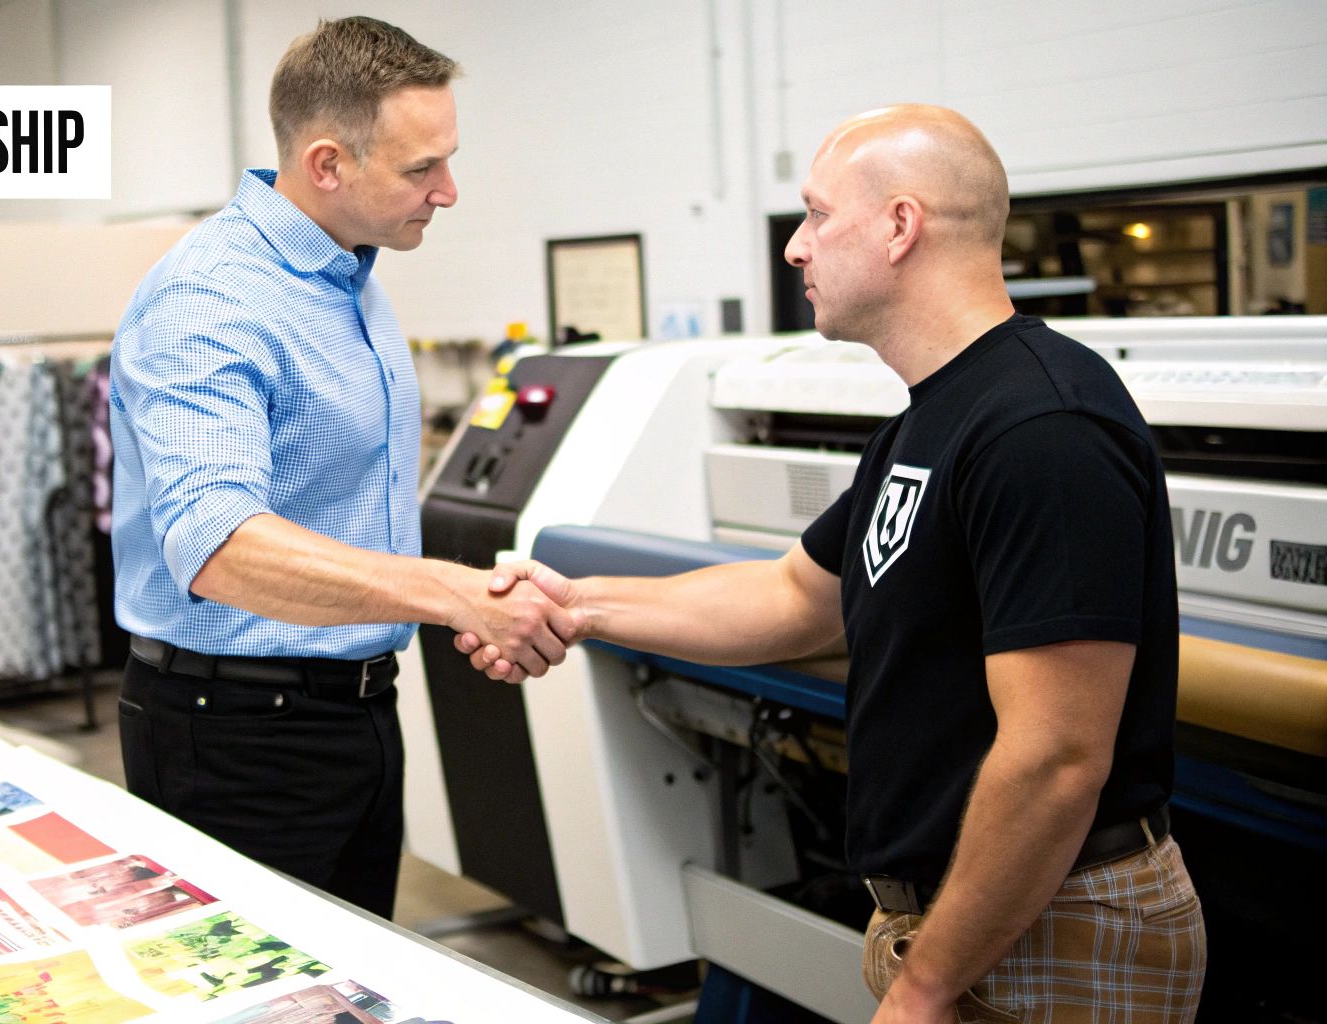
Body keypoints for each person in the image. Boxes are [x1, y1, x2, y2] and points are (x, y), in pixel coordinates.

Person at [459, 105, 1204, 1021]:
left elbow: (1055, 757)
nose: (795, 249)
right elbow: (791, 598)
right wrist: (572, 602)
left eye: (816, 216)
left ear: (901, 226)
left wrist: (928, 985)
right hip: (970, 916)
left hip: (1053, 926)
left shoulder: (1041, 428)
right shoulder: (931, 419)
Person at [108, 16, 575, 920]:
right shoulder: (211, 298)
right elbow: (216, 545)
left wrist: (456, 598)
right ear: (327, 165)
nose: (448, 191)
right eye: (419, 169)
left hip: (352, 710)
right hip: (233, 735)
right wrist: (448, 593)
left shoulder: (346, 274)